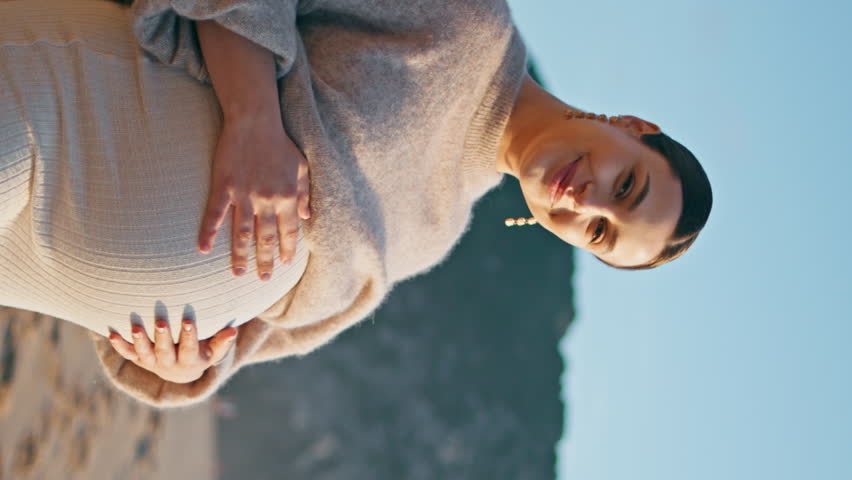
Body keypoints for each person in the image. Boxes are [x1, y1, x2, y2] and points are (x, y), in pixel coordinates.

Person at [0, 0, 711, 407]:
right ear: (630, 128)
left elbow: (260, 336)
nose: (590, 203)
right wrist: (254, 119)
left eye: (599, 231)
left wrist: (189, 366)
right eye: (627, 186)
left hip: (35, 269)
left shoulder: (436, 235)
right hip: (53, 114)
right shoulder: (468, 22)